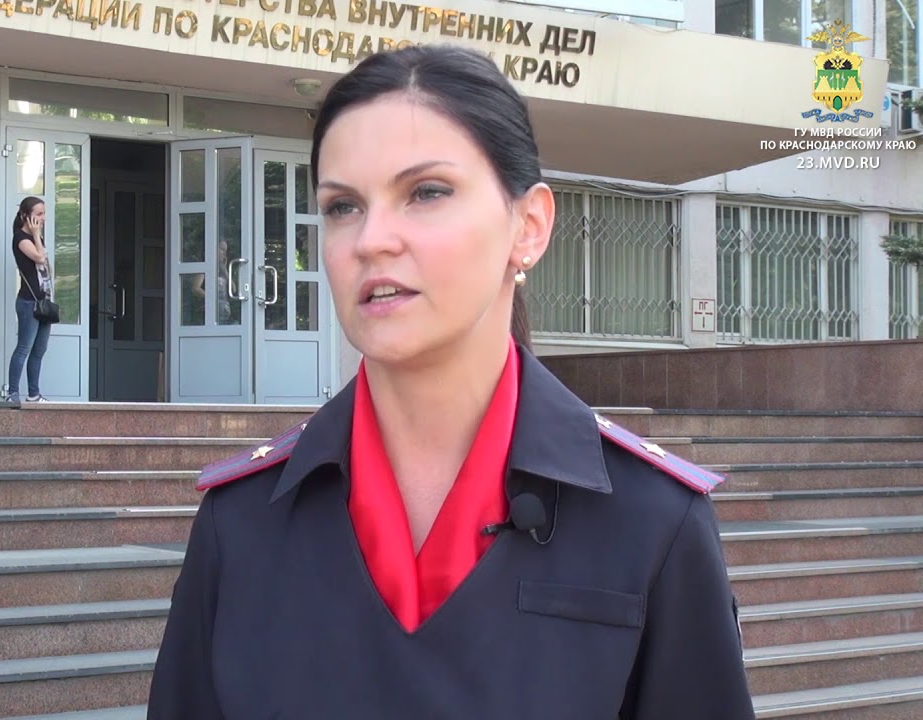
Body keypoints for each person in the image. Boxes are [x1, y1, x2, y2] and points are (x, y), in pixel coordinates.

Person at [147, 44, 755, 719]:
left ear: (529, 227)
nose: (371, 239)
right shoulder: (242, 523)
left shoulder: (651, 520)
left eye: (426, 192)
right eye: (343, 206)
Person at [6, 196, 52, 403]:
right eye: (39, 214)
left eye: (44, 213)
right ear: (26, 216)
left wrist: (37, 236)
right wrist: (35, 234)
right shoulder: (21, 238)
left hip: (43, 301)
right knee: (23, 348)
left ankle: (34, 393)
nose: (43, 218)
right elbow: (40, 258)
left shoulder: (35, 238)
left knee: (39, 350)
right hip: (28, 301)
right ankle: (12, 393)